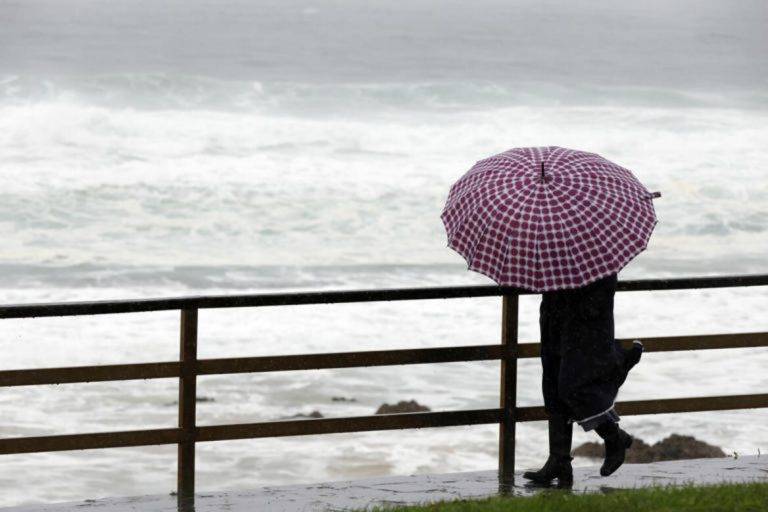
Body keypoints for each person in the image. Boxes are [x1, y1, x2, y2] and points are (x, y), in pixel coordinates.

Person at [522, 273, 643, 487]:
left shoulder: (593, 255)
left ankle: (614, 438)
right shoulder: (556, 246)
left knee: (572, 388)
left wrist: (573, 295)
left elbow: (600, 294)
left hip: (584, 324)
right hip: (554, 315)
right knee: (552, 391)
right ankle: (558, 461)